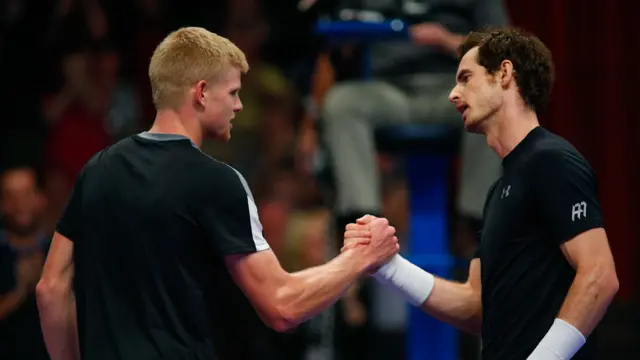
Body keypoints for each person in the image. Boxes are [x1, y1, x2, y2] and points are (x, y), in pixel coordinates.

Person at [34, 26, 399, 360]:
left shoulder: (96, 170)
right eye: (233, 92)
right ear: (202, 92)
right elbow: (282, 306)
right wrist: (359, 258)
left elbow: (50, 290)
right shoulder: (217, 181)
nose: (239, 106)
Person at [342, 27, 619, 360]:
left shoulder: (552, 160)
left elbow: (600, 275)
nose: (453, 94)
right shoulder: (497, 191)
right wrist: (389, 266)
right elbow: (475, 306)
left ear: (504, 73)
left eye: (465, 78)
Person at [0, 167, 50, 360]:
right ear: (2, 204)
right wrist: (19, 292)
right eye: (11, 197)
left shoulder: (61, 251)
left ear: (40, 198)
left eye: (26, 194)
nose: (20, 204)